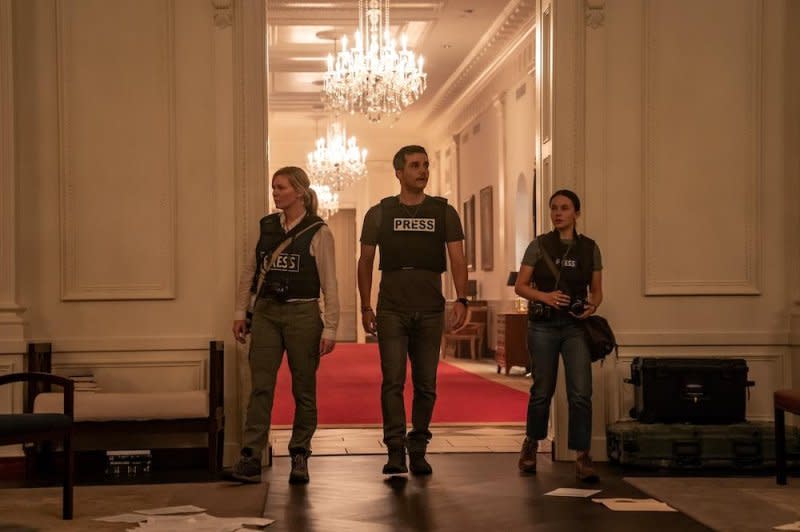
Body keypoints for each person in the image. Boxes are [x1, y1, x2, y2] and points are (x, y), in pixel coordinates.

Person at [357, 145, 468, 476]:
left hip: (431, 308)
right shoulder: (379, 213)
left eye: (426, 165)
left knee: (426, 384)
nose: (423, 171)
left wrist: (462, 299)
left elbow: (458, 259)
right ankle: (394, 449)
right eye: (415, 165)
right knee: (392, 381)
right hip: (391, 307)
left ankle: (418, 447)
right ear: (399, 172)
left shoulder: (444, 212)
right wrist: (365, 306)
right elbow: (365, 261)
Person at [226, 166, 339, 485]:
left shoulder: (319, 231)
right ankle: (250, 455)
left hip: (303, 314)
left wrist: (330, 328)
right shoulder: (267, 227)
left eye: (281, 187)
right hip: (265, 313)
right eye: (273, 187)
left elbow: (330, 283)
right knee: (260, 385)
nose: (275, 192)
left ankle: (300, 453)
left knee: (304, 387)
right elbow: (250, 272)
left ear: (299, 192)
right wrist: (240, 312)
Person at [514, 189, 603, 482]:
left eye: (564, 208)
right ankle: (531, 444)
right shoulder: (538, 246)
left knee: (581, 393)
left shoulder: (590, 248)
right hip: (543, 327)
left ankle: (582, 455)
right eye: (554, 208)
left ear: (577, 213)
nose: (558, 213)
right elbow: (521, 286)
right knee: (542, 390)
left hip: (576, 327)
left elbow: (597, 290)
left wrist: (592, 306)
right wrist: (546, 297)